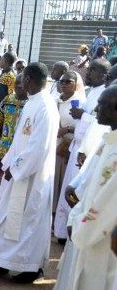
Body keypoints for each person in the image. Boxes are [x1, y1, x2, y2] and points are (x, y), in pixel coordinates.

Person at [0, 63, 59, 283]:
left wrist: (16, 168)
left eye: (21, 79)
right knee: (6, 217)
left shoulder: (46, 107)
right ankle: (2, 261)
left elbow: (39, 147)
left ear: (29, 79)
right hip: (17, 171)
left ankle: (30, 267)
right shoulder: (31, 103)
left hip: (32, 177)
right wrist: (7, 163)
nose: (18, 83)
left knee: (28, 221)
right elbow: (20, 140)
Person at [57, 86, 117, 290]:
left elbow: (107, 202)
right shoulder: (109, 141)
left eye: (103, 105)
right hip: (87, 232)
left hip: (102, 242)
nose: (96, 109)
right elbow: (92, 183)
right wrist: (76, 212)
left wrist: (82, 227)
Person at [53, 59, 111, 241]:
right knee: (67, 189)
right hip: (77, 146)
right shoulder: (91, 91)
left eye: (93, 70)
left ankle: (70, 232)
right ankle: (62, 232)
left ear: (104, 75)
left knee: (76, 192)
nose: (88, 73)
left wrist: (82, 115)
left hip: (89, 150)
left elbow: (101, 125)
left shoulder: (107, 94)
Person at [0, 73, 28, 192]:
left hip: (21, 152)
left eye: (22, 83)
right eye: (17, 83)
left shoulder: (31, 104)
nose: (19, 86)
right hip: (4, 150)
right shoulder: (7, 99)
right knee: (0, 183)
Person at [53, 71, 84, 212]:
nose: (64, 84)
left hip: (68, 146)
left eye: (68, 81)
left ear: (75, 84)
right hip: (54, 145)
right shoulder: (55, 100)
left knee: (64, 180)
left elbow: (85, 124)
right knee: (52, 180)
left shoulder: (80, 102)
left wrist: (66, 130)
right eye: (62, 81)